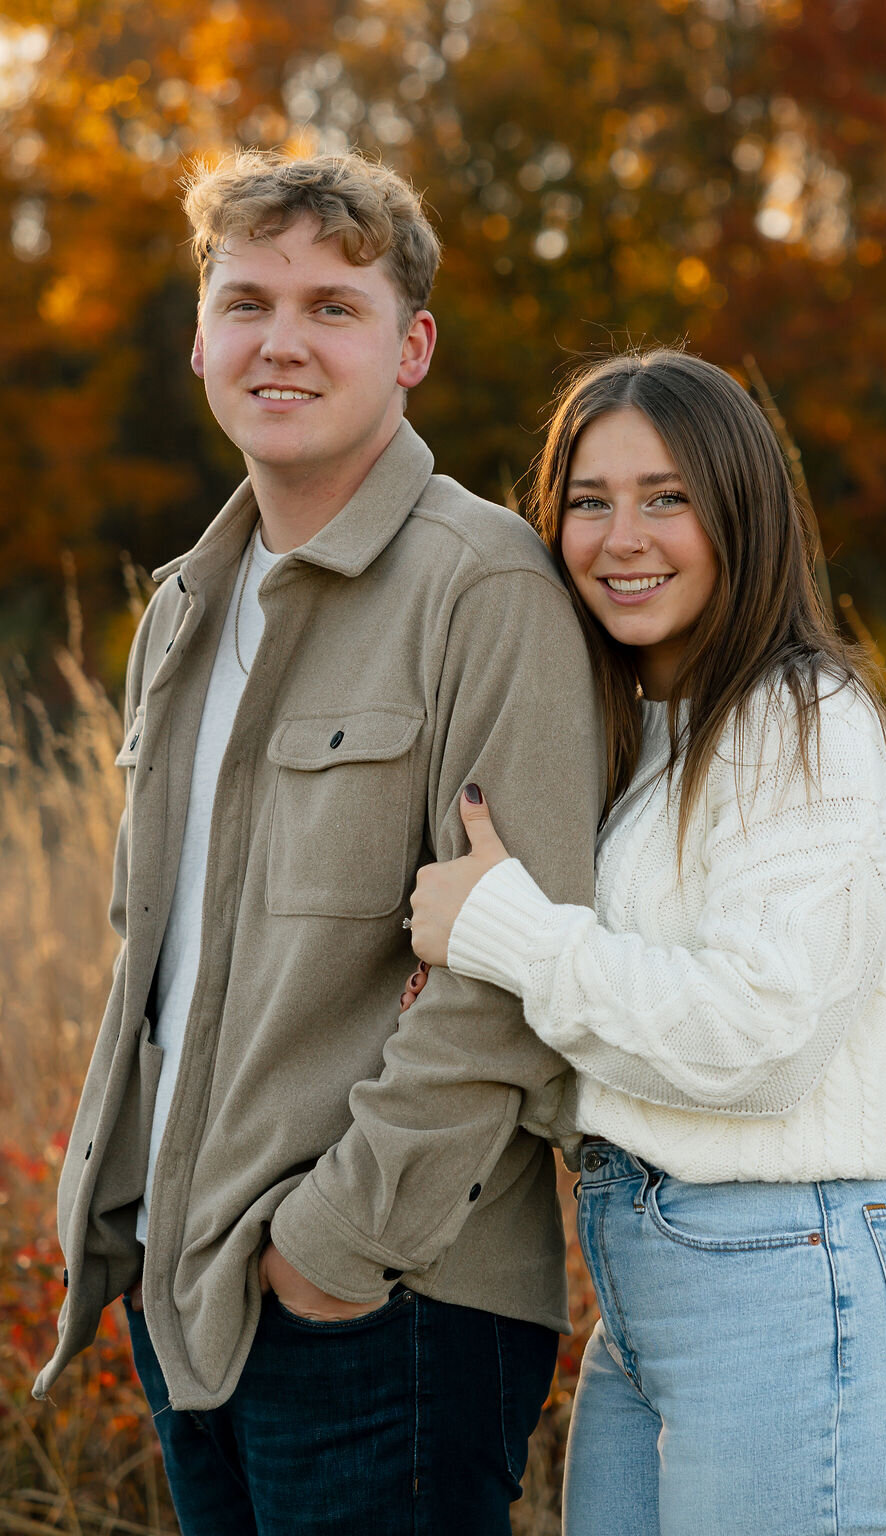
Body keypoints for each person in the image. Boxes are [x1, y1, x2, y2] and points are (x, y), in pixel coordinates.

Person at [32, 150, 606, 1536]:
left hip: (384, 1310)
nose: (280, 340)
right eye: (247, 301)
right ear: (199, 338)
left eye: (331, 306)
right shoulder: (187, 606)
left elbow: (513, 976)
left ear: (410, 347)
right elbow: (162, 961)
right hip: (187, 1290)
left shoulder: (484, 590)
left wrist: (332, 1255)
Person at [407, 348, 886, 1536]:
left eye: (666, 497)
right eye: (588, 500)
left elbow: (756, 1037)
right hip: (657, 1288)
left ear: (743, 513)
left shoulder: (803, 725)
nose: (623, 537)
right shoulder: (646, 740)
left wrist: (510, 932)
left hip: (794, 1290)